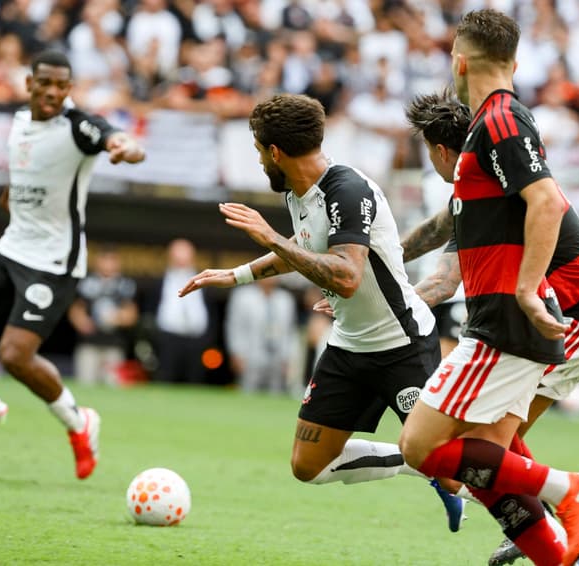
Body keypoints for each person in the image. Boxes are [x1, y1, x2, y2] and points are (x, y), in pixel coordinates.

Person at [178, 93, 465, 532]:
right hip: (349, 348)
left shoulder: (347, 190)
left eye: (258, 150)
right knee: (307, 464)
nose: (258, 160)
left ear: (275, 152)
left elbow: (346, 275)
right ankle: (416, 466)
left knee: (450, 467)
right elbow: (306, 248)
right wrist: (235, 275)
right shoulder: (300, 192)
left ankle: (550, 520)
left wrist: (271, 237)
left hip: (402, 344)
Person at [396, 11, 579, 566]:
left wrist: (529, 289)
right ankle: (561, 558)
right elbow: (451, 230)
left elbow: (549, 202)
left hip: (508, 322)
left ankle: (570, 490)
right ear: (514, 63)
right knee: (486, 463)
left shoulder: (500, 121)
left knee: (423, 447)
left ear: (459, 62)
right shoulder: (493, 125)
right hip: (504, 319)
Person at [0, 50, 145, 480]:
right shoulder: (21, 122)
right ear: (30, 84)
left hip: (53, 262)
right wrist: (13, 194)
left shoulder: (78, 126)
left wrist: (125, 148)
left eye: (62, 86)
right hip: (11, 248)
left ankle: (79, 423)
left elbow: (114, 137)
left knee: (14, 356)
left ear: (69, 89)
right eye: (45, 84)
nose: (53, 92)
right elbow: (25, 172)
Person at [67, 246, 139, 386]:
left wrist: (117, 318)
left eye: (111, 261)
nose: (108, 265)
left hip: (114, 344)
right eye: (104, 260)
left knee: (112, 384)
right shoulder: (86, 282)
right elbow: (76, 309)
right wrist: (82, 322)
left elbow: (132, 314)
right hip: (89, 343)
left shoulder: (125, 285)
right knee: (85, 383)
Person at [150, 238, 218, 384]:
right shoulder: (159, 281)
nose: (181, 261)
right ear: (170, 257)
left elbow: (212, 313)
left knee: (194, 382)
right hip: (167, 340)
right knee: (165, 380)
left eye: (185, 256)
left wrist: (207, 339)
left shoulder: (206, 281)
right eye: (177, 257)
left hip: (197, 341)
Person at [225, 276, 298, 394]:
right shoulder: (243, 296)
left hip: (277, 356)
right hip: (250, 355)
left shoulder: (285, 299)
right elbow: (235, 326)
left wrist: (289, 358)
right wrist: (236, 353)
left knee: (276, 394)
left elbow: (290, 331)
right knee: (248, 392)